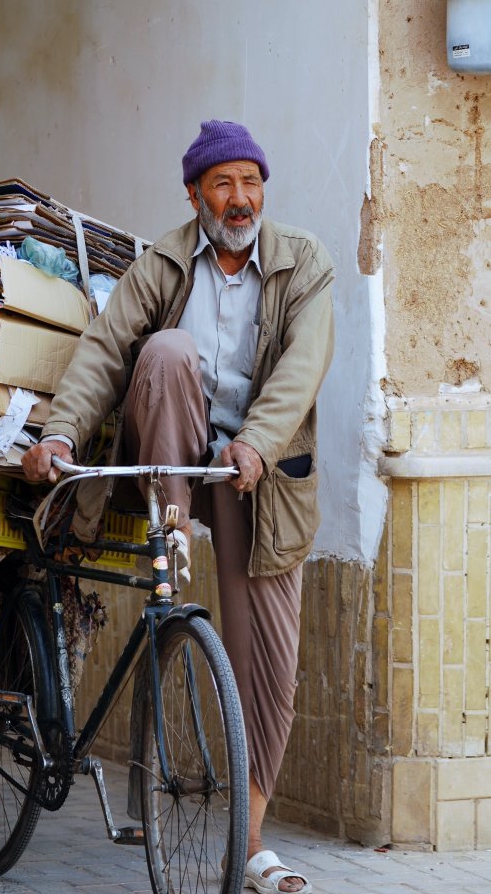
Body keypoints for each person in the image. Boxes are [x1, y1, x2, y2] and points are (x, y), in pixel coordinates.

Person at [22, 120, 335, 894]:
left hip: (250, 470)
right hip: (172, 453)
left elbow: (303, 366)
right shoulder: (163, 262)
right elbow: (104, 347)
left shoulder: (305, 264)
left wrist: (256, 443)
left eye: (251, 182)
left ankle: (253, 839)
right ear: (194, 193)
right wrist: (59, 434)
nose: (240, 199)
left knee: (269, 665)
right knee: (164, 349)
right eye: (223, 184)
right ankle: (171, 527)